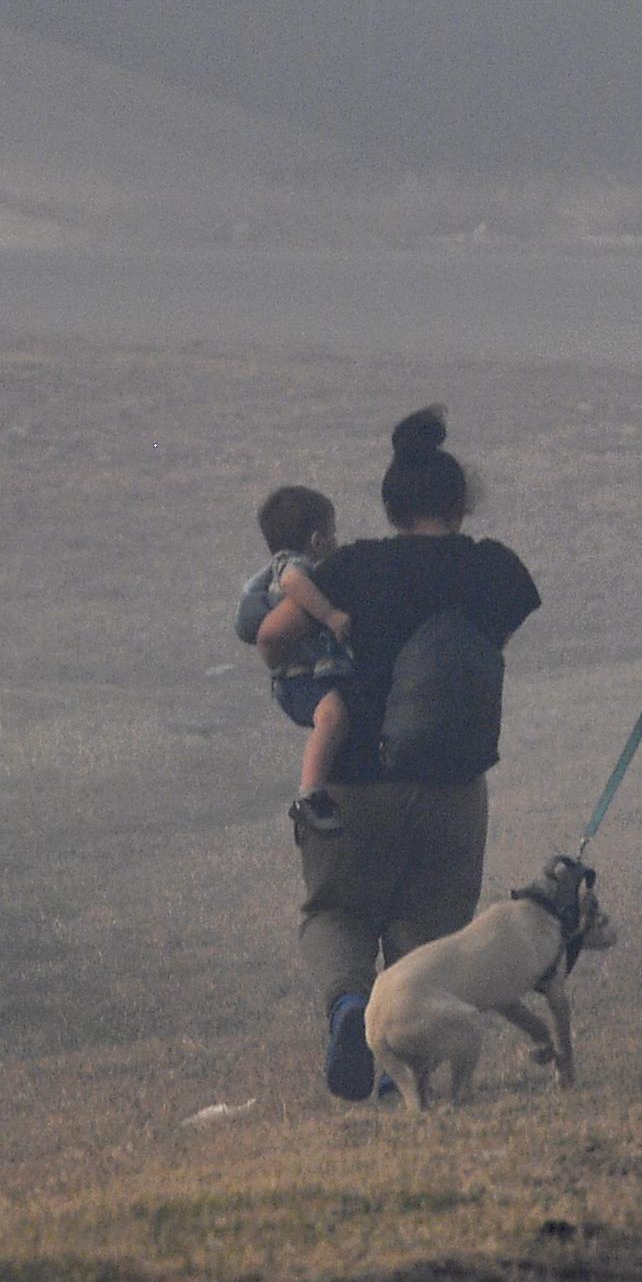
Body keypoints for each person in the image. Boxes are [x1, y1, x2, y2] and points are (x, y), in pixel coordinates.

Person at [254, 406, 541, 1101]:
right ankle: (397, 1062)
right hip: (452, 781)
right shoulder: (495, 571)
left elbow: (271, 637)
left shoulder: (352, 566)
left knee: (335, 914)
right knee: (429, 926)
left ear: (388, 507)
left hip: (353, 778)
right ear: (460, 502)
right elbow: (483, 654)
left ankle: (351, 1009)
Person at [235, 485, 357, 833]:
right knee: (332, 715)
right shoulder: (294, 566)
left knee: (334, 717)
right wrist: (330, 614)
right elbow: (293, 583)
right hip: (299, 678)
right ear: (318, 539)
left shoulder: (282, 565)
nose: (335, 541)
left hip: (304, 674)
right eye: (332, 533)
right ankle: (310, 795)